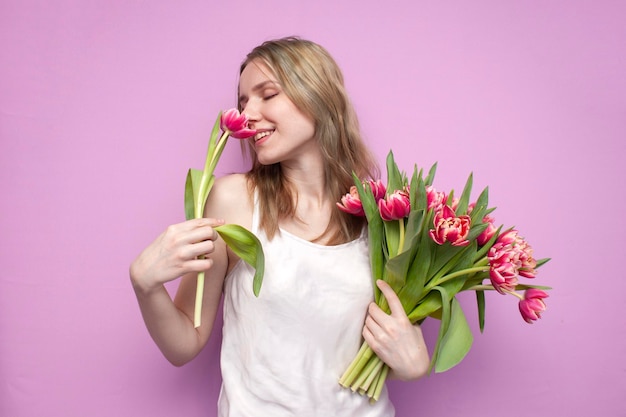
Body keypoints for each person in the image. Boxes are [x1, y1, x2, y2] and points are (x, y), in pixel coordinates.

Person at [130, 37, 430, 417]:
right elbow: (183, 344)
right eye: (242, 102)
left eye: (267, 94)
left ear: (317, 95)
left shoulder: (379, 217)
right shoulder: (233, 200)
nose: (248, 113)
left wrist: (414, 365)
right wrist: (145, 285)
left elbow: (374, 349)